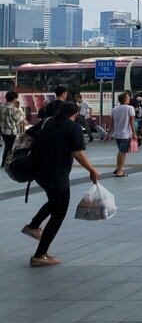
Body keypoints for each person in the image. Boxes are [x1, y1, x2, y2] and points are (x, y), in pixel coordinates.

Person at [22, 100, 101, 266]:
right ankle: (39, 255)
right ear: (76, 114)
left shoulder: (46, 122)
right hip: (57, 174)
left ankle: (33, 226)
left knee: (55, 202)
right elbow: (78, 154)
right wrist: (92, 170)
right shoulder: (73, 127)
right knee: (59, 214)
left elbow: (26, 136)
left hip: (38, 172)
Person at [110, 91, 137, 178]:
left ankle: (117, 168)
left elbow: (111, 123)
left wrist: (107, 135)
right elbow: (132, 122)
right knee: (123, 152)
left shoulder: (114, 109)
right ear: (125, 99)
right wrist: (134, 133)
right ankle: (119, 171)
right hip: (125, 134)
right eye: (128, 97)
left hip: (116, 134)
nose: (129, 99)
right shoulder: (130, 108)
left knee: (120, 152)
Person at [1, 90, 27, 166]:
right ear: (14, 99)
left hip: (2, 131)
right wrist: (23, 120)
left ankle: (4, 162)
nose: (16, 99)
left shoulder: (1, 106)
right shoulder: (14, 109)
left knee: (7, 146)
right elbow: (18, 120)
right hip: (11, 131)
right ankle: (5, 163)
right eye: (16, 98)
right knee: (9, 147)